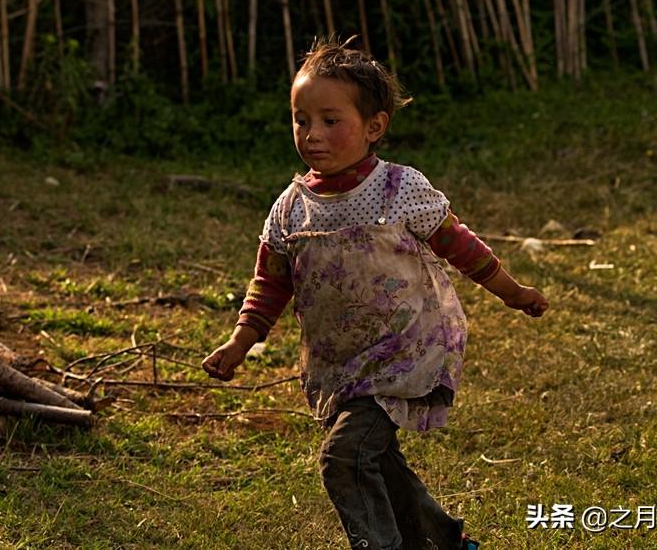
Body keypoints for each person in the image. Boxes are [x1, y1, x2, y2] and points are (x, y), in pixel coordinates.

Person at [201, 38, 549, 550]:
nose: (312, 134)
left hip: (406, 353)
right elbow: (270, 280)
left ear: (374, 126)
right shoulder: (291, 209)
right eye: (301, 119)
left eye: (330, 120)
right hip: (342, 362)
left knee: (344, 457)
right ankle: (444, 541)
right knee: (376, 459)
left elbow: (459, 244)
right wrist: (240, 340)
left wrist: (512, 292)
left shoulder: (399, 190)